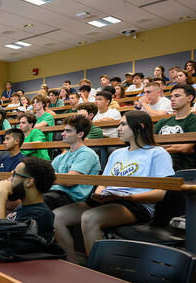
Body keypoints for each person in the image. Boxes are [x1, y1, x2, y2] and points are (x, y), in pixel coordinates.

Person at [55, 112, 175, 263]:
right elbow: (103, 183)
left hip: (137, 205)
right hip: (110, 199)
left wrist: (126, 197)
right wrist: (99, 194)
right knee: (57, 217)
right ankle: (73, 264)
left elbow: (160, 194)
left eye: (123, 124)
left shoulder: (157, 153)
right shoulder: (117, 153)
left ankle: (97, 272)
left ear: (140, 126)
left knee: (89, 218)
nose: (118, 128)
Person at [43, 115, 101, 210]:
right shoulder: (61, 157)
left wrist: (47, 177)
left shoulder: (87, 154)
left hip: (72, 198)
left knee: (37, 205)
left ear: (80, 134)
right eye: (64, 130)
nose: (63, 134)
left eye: (68, 131)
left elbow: (70, 181)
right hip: (54, 193)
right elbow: (48, 178)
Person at [155, 84, 196, 171]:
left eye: (177, 96)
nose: (172, 99)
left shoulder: (193, 120)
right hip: (158, 159)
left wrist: (160, 148)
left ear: (190, 98)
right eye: (171, 96)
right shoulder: (163, 122)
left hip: (179, 163)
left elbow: (185, 148)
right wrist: (174, 146)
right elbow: (150, 143)